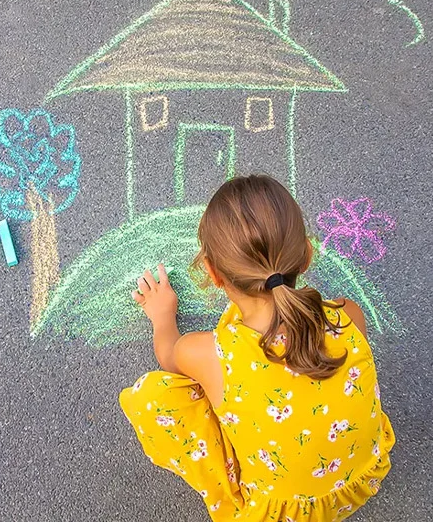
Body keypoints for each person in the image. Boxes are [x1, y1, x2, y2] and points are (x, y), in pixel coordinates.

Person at [119, 175, 395, 521]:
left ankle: (230, 496)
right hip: (358, 477)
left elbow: (168, 354)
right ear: (306, 255)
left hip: (278, 512)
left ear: (213, 274)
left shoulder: (210, 354)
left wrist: (162, 316)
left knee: (151, 396)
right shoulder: (347, 314)